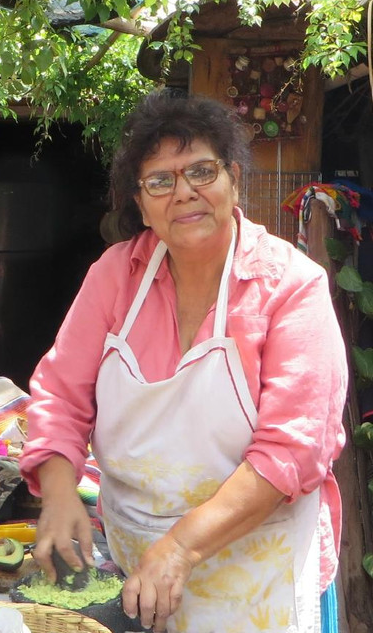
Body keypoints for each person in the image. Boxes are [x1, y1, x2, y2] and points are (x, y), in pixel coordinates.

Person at [20, 92, 348, 633]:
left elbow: (293, 450)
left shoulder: (291, 287)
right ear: (141, 202)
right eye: (161, 180)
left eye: (201, 170)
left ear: (233, 179)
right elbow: (60, 394)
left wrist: (181, 548)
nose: (184, 192)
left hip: (255, 578)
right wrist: (57, 495)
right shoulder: (114, 277)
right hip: (135, 574)